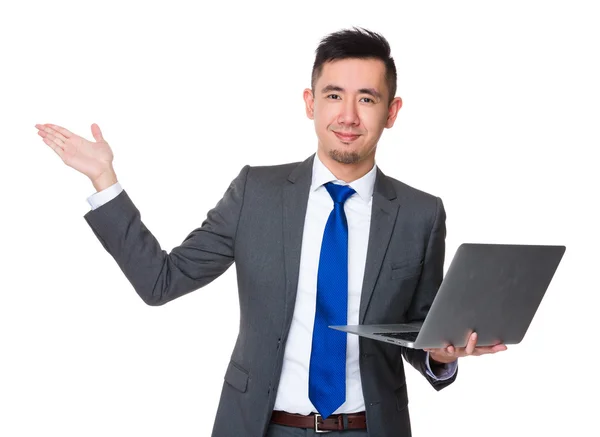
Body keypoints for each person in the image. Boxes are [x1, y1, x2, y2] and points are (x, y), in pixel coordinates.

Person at [35, 27, 506, 437]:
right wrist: (104, 181)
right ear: (310, 102)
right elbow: (161, 282)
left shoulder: (421, 214)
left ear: (392, 110)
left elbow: (418, 332)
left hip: (369, 428)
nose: (348, 116)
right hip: (263, 426)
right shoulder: (254, 194)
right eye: (334, 95)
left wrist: (442, 357)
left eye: (367, 99)